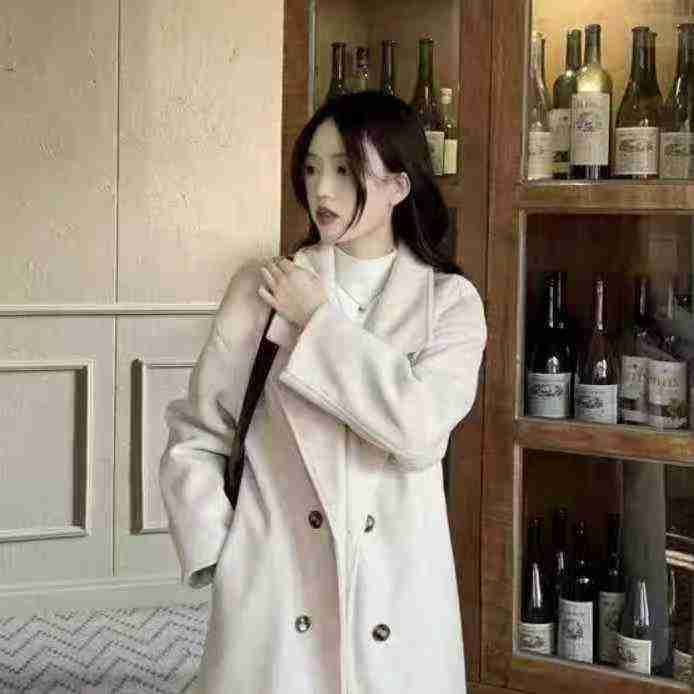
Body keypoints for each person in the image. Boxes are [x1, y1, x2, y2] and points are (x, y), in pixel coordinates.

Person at [159, 90, 487, 694]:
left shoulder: (450, 303)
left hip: (395, 589)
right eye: (311, 169)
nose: (322, 190)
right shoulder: (261, 288)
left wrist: (317, 322)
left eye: (344, 169)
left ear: (398, 185)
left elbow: (418, 434)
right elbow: (200, 429)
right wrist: (224, 553)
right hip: (275, 580)